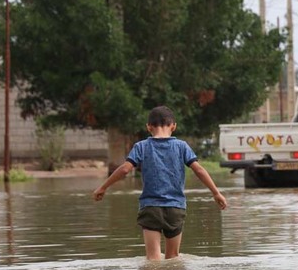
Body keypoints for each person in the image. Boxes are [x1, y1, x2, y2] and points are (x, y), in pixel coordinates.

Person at [92, 106, 228, 260]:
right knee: (173, 258)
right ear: (174, 126)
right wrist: (216, 193)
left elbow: (124, 170)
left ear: (148, 127)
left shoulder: (141, 147)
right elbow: (199, 170)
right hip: (175, 207)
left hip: (151, 207)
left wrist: (103, 187)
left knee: (153, 259)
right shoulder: (182, 146)